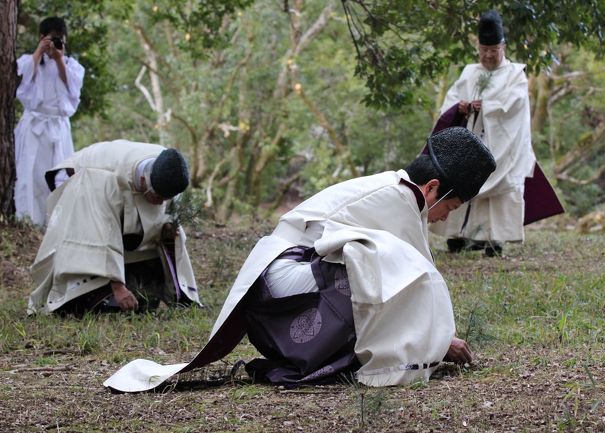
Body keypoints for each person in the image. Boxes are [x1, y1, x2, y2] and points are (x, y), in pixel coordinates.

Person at [103, 127, 496, 392]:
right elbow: (419, 285)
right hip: (285, 284)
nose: (446, 217)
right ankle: (330, 360)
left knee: (382, 265)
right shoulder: (398, 199)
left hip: (282, 287)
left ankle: (319, 356)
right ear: (432, 188)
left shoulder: (394, 190)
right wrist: (442, 341)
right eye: (452, 205)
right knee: (384, 264)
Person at [27, 140, 201, 316]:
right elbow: (102, 235)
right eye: (157, 197)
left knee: (144, 295)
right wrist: (117, 286)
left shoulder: (168, 168)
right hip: (81, 185)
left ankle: (140, 286)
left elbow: (164, 216)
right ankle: (90, 294)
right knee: (97, 295)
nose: (161, 203)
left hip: (114, 190)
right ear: (143, 180)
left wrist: (167, 230)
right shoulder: (103, 180)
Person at [430, 10, 536, 257]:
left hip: (502, 144)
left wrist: (486, 107)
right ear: (478, 47)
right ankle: (459, 237)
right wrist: (462, 107)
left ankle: (493, 240)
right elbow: (451, 101)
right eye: (484, 50)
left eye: (494, 50)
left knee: (497, 187)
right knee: (462, 180)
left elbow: (515, 106)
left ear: (503, 47)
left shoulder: (515, 75)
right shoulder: (470, 72)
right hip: (469, 141)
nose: (488, 55)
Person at [14, 16, 85, 226]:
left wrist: (59, 59)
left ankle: (56, 224)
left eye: (59, 39)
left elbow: (73, 91)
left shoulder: (72, 66)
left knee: (59, 176)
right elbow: (22, 84)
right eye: (50, 38)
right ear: (41, 38)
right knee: (29, 176)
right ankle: (28, 221)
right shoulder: (29, 60)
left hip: (58, 128)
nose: (54, 43)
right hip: (34, 126)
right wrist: (39, 52)